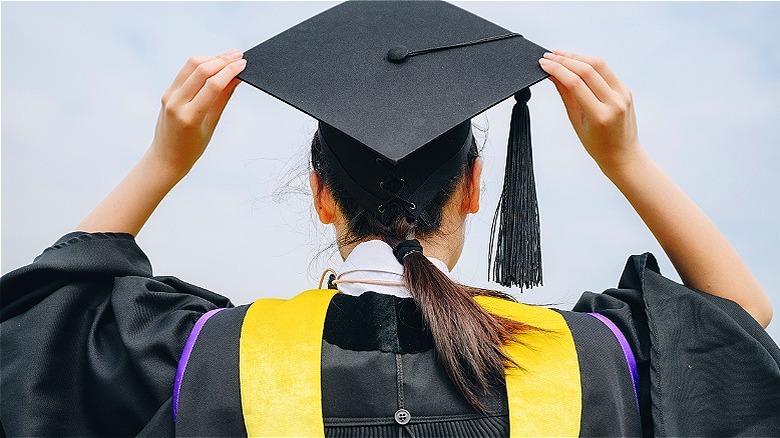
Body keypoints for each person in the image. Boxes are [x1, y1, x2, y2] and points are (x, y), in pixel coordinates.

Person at [1, 2, 778, 437]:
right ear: (476, 188)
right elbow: (736, 325)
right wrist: (626, 160)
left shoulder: (210, 358)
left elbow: (39, 324)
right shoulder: (593, 361)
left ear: (319, 193)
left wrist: (162, 163)